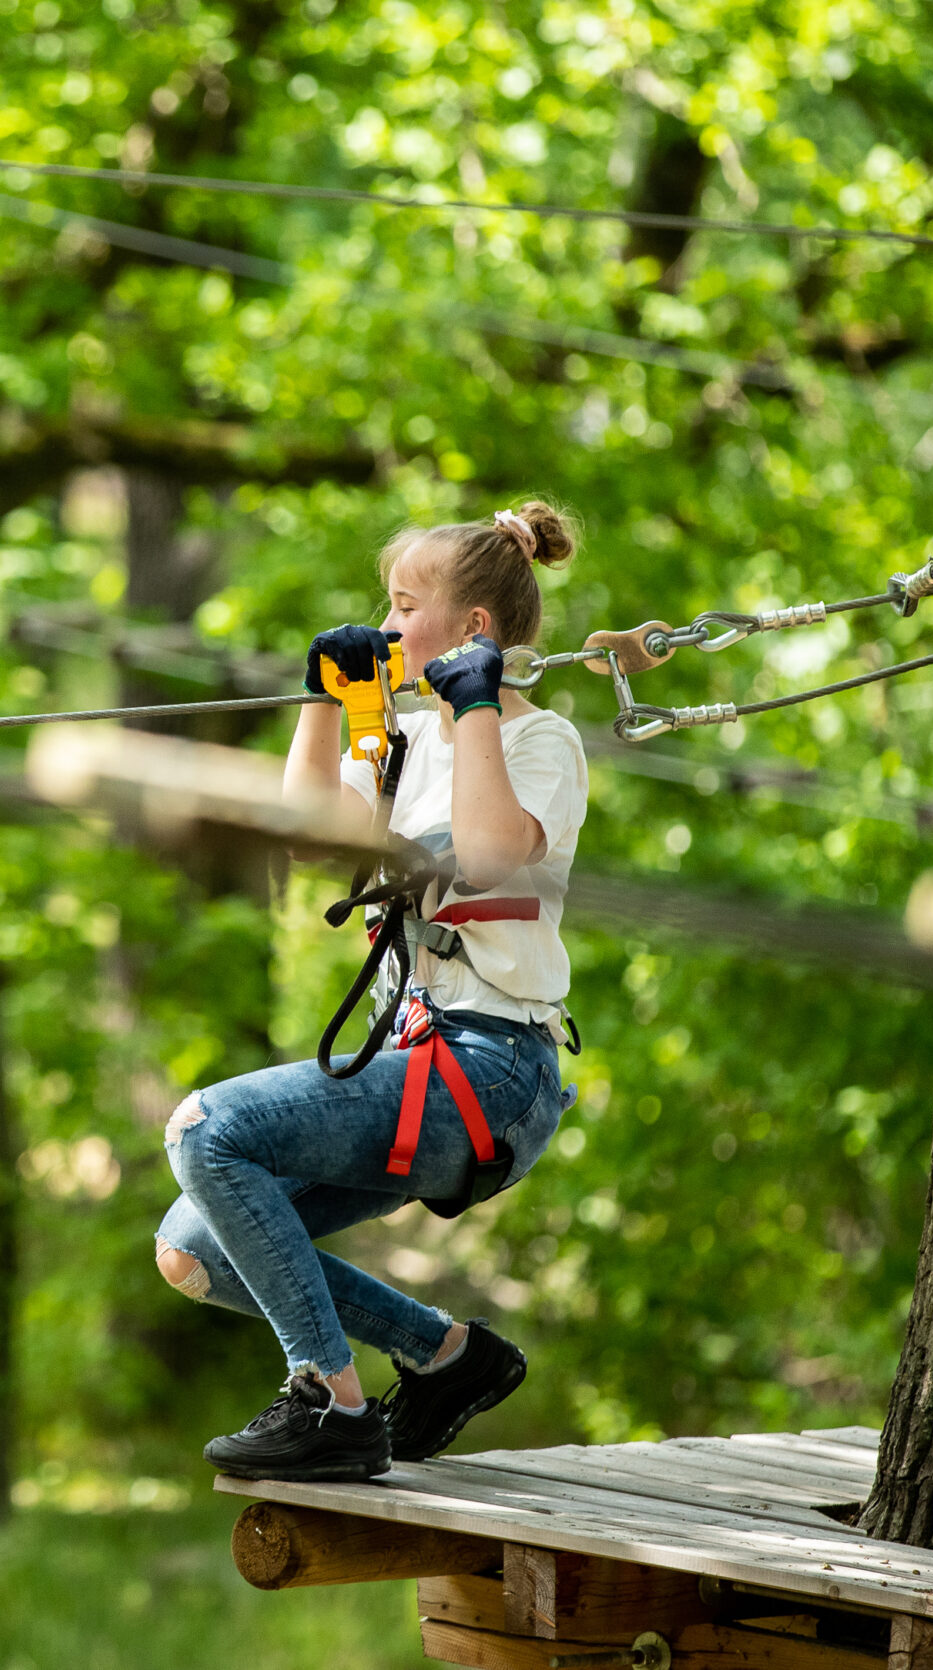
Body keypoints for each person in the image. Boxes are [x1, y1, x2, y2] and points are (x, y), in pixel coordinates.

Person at [152, 501, 588, 1483]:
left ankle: (329, 1398)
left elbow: (484, 855)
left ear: (473, 628)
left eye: (402, 608)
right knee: (192, 1246)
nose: (385, 629)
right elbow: (308, 833)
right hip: (413, 1060)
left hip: (494, 1068)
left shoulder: (540, 742)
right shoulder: (401, 742)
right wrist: (323, 700)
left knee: (201, 1129)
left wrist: (473, 706)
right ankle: (444, 1353)